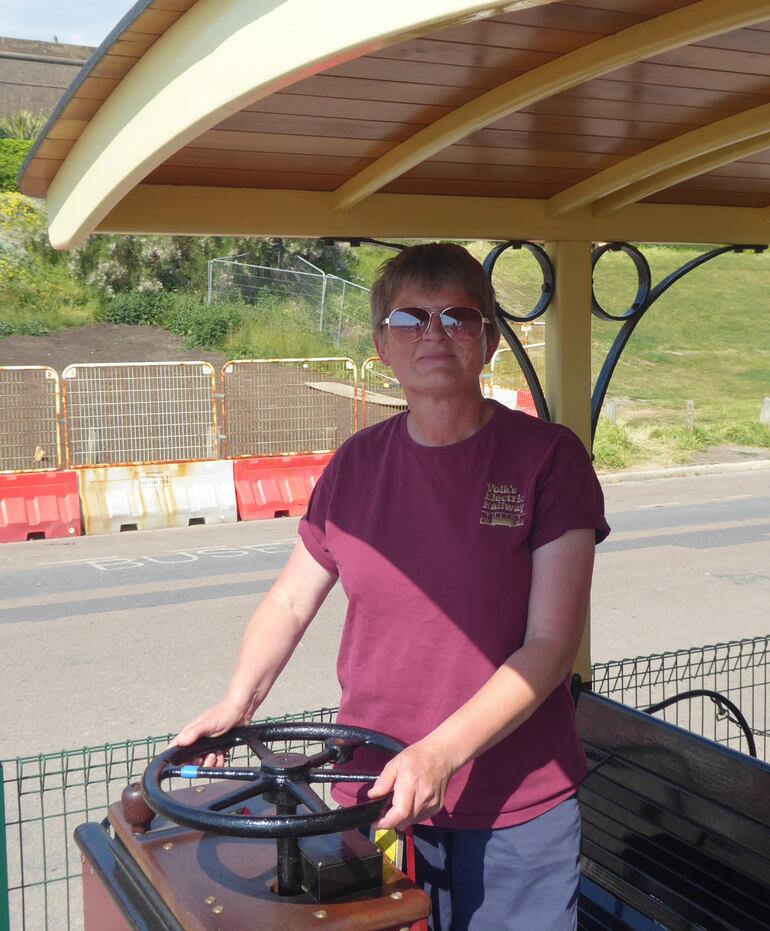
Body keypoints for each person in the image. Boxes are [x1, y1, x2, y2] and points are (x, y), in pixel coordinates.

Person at [175, 242, 610, 930]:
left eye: (457, 317)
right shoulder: (355, 465)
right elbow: (292, 599)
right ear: (382, 345)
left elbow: (552, 644)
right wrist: (239, 696)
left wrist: (441, 749)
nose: (433, 334)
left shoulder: (548, 459)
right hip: (373, 795)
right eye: (410, 320)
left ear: (489, 340)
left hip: (513, 809)